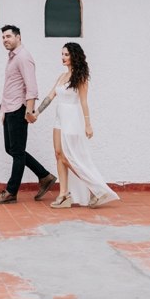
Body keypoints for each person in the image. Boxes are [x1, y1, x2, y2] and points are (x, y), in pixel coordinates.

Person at [34, 42, 119, 208]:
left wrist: (88, 125)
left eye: (66, 54)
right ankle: (64, 194)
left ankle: (95, 190)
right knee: (58, 154)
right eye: (62, 54)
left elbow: (84, 103)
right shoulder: (61, 77)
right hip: (59, 117)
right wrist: (37, 112)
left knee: (68, 158)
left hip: (72, 118)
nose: (63, 57)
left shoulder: (80, 78)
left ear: (74, 56)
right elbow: (50, 96)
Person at [0, 25, 57, 205]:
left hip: (19, 109)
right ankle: (44, 176)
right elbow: (11, 85)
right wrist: (4, 110)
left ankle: (11, 192)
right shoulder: (12, 58)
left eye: (8, 36)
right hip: (10, 108)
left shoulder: (23, 57)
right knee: (10, 149)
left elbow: (31, 87)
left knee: (17, 152)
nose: (5, 40)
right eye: (3, 37)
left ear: (18, 37)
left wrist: (29, 111)